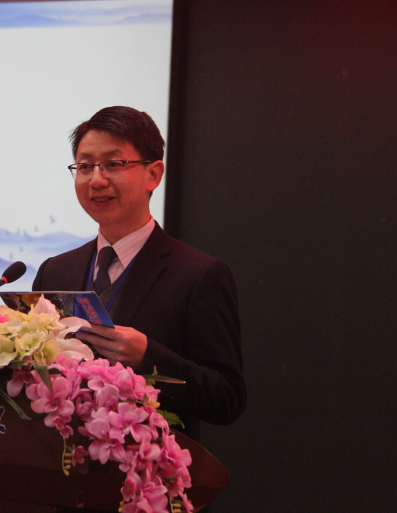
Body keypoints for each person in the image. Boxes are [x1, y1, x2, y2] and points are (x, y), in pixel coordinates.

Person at [32, 106, 245, 440]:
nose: (96, 180)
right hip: (56, 457)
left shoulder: (199, 275)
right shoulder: (55, 271)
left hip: (144, 461)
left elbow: (227, 398)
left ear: (153, 174)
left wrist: (148, 358)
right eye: (85, 166)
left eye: (114, 164)